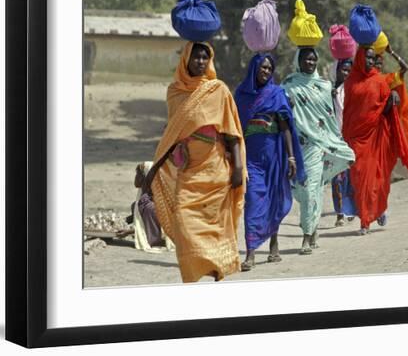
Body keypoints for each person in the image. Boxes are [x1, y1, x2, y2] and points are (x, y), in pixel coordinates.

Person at [147, 41, 247, 283]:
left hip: (215, 172)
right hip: (188, 172)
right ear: (186, 60)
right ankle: (193, 276)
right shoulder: (175, 92)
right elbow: (170, 136)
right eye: (196, 57)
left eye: (205, 57)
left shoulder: (218, 90)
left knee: (215, 227)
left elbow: (232, 133)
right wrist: (150, 175)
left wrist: (238, 168)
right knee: (184, 222)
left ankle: (216, 271)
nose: (200, 62)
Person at [234, 54, 306, 271]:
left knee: (274, 199)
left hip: (275, 155)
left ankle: (274, 243)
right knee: (254, 201)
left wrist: (291, 156)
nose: (265, 71)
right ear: (254, 68)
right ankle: (251, 253)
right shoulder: (241, 95)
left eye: (269, 68)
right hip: (252, 158)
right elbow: (235, 128)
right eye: (262, 67)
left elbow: (285, 127)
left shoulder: (277, 93)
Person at [282, 47, 355, 254]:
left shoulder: (323, 86)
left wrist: (335, 141)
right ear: (299, 61)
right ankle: (313, 229)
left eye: (314, 59)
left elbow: (329, 120)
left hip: (316, 146)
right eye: (306, 59)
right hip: (296, 147)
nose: (310, 62)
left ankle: (306, 236)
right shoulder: (289, 85)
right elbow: (282, 114)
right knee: (304, 191)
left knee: (311, 189)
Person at [342, 47, 408, 235]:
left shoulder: (380, 81)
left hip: (377, 138)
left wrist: (392, 99)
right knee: (360, 179)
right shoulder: (351, 82)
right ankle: (366, 216)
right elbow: (349, 112)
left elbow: (385, 109)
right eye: (367, 58)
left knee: (378, 178)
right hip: (356, 139)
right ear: (359, 59)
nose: (370, 61)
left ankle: (366, 221)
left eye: (372, 58)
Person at [374, 47, 408, 157]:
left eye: (380, 64)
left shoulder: (388, 79)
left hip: (389, 122)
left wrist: (391, 52)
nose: (378, 66)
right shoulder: (365, 82)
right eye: (376, 63)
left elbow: (404, 68)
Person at [328, 59, 358, 227]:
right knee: (337, 177)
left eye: (349, 70)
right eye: (343, 70)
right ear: (337, 71)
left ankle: (350, 208)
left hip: (352, 138)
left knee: (352, 177)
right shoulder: (330, 92)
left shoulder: (354, 91)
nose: (346, 73)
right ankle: (339, 213)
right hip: (335, 139)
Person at [132, 162, 175, 252]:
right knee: (151, 209)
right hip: (148, 201)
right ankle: (155, 241)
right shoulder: (146, 169)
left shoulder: (168, 171)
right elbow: (137, 184)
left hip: (165, 199)